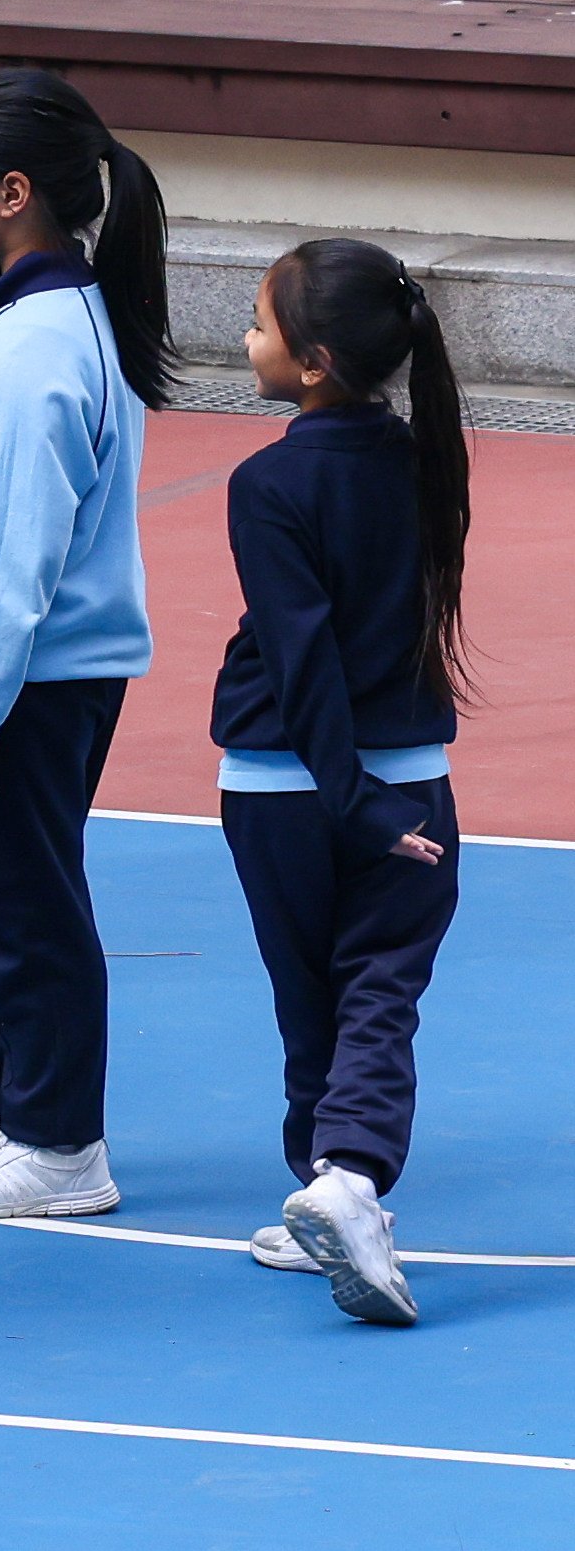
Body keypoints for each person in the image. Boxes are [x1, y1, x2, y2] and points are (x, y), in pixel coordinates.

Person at [0, 67, 173, 1223]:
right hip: (23, 668)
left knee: (25, 901)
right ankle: (1, 1100)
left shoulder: (36, 348)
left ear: (13, 193)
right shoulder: (30, 318)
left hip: (30, 675)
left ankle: (59, 1142)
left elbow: (15, 553)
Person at [216, 240, 471, 1328]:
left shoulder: (267, 482)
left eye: (260, 324)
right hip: (402, 777)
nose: (246, 339)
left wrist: (346, 797)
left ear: (314, 361)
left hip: (280, 783)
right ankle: (348, 1175)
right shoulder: (428, 460)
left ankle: (329, 1175)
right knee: (380, 985)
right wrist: (372, 799)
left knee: (310, 985)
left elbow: (297, 652)